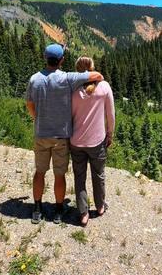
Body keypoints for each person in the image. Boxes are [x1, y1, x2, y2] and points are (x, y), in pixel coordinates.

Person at [26, 44, 104, 224]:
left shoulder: (34, 79)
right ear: (61, 60)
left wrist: (37, 118)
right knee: (59, 175)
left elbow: (29, 104)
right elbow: (97, 76)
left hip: (41, 134)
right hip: (61, 137)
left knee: (40, 172)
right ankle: (59, 210)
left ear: (45, 59)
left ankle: (37, 208)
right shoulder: (68, 78)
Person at [70, 56, 115, 226]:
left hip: (76, 141)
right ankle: (100, 206)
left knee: (79, 177)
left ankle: (83, 213)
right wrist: (110, 134)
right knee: (99, 174)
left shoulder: (72, 89)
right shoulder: (104, 87)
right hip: (97, 141)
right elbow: (110, 115)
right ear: (93, 68)